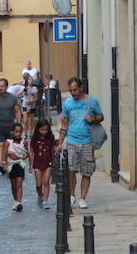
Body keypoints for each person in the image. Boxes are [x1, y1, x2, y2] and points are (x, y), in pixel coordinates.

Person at [57, 76, 103, 209]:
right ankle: (72, 195)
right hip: (71, 140)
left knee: (86, 171)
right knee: (71, 169)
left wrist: (92, 118)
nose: (73, 93)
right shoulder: (68, 104)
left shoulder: (92, 101)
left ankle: (83, 198)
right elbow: (64, 124)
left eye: (75, 90)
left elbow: (101, 116)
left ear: (81, 88)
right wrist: (60, 143)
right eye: (71, 90)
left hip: (88, 141)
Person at [0, 79, 20, 175]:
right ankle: (3, 163)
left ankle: (5, 161)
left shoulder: (12, 98)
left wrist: (18, 124)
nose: (0, 88)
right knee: (1, 144)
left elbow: (17, 111)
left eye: (2, 86)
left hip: (10, 126)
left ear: (6, 87)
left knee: (9, 146)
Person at [29, 119, 57, 210]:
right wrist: (30, 165)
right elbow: (32, 151)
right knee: (39, 184)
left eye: (46, 130)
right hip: (37, 163)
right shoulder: (35, 138)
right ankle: (40, 195)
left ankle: (45, 201)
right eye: (42, 130)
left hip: (48, 162)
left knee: (46, 182)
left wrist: (57, 149)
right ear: (38, 129)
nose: (44, 132)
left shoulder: (50, 137)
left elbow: (54, 147)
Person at [2, 123, 28, 211]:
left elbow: (28, 152)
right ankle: (15, 200)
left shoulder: (23, 142)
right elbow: (4, 154)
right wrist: (4, 163)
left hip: (20, 165)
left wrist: (25, 156)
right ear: (12, 132)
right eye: (16, 132)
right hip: (11, 165)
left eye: (20, 132)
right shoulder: (8, 142)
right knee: (13, 184)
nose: (18, 134)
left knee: (19, 184)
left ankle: (19, 202)